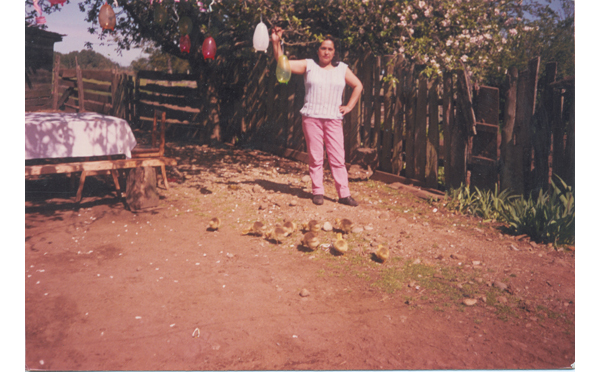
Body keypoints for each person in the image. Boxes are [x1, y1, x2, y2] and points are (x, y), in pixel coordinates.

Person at [271, 26, 363, 207]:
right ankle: (318, 192)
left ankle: (344, 194)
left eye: (330, 49)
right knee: (315, 157)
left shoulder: (342, 69)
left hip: (334, 119)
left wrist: (349, 106)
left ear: (334, 52)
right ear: (318, 50)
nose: (326, 52)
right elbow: (284, 64)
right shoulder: (309, 65)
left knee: (337, 157)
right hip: (312, 117)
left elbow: (358, 86)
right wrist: (276, 42)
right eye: (323, 48)